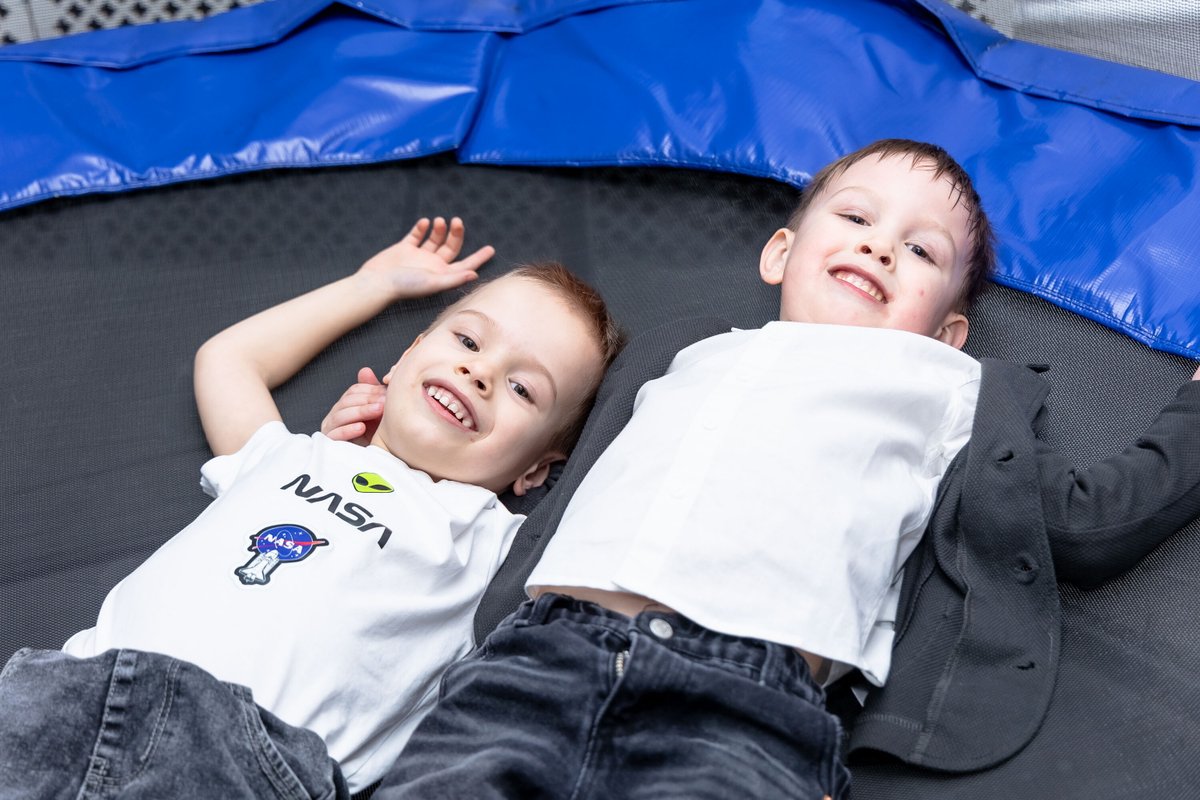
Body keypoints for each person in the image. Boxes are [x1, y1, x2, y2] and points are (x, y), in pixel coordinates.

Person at [319, 140, 1200, 799]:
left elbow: (1084, 520)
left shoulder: (948, 389)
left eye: (923, 252)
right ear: (781, 253)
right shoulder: (687, 353)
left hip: (746, 703)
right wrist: (389, 446)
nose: (881, 247)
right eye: (855, 218)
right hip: (537, 657)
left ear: (948, 334)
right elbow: (539, 456)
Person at [0, 216, 624, 797]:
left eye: (522, 388)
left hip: (245, 757)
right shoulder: (290, 456)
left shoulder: (488, 540)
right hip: (74, 688)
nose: (478, 372)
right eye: (467, 338)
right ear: (406, 356)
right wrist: (373, 284)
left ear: (536, 469)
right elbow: (228, 360)